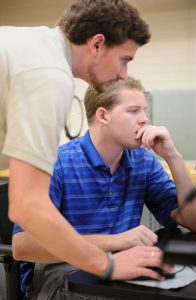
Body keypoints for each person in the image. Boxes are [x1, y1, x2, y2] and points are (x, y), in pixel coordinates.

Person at [0, 0, 153, 281]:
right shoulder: (48, 72)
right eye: (124, 59)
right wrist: (109, 266)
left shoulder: (31, 45)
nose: (123, 74)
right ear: (97, 44)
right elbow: (27, 205)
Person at [13, 76, 196, 299]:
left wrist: (173, 156)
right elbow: (22, 246)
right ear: (103, 115)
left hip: (123, 267)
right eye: (133, 111)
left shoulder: (142, 161)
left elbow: (195, 221)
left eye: (144, 110)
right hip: (63, 273)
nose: (144, 120)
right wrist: (117, 241)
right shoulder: (55, 164)